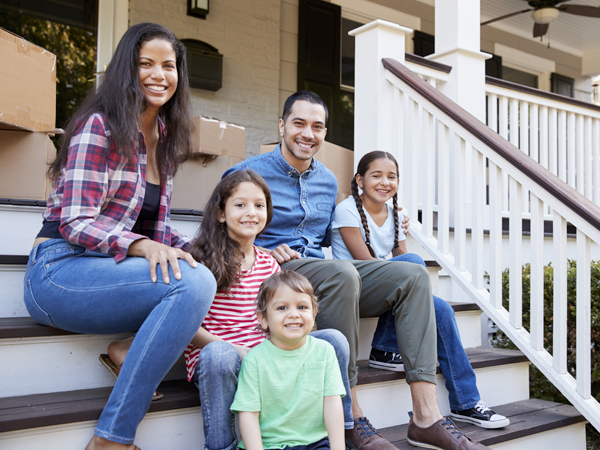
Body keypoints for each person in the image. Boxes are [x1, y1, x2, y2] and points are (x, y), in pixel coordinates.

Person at [224, 91, 489, 450]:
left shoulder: (328, 180)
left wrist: (394, 218)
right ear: (282, 125)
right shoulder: (247, 172)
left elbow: (336, 234)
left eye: (317, 127)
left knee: (412, 273)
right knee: (343, 273)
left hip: (321, 270)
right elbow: (221, 227)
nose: (308, 133)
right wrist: (265, 248)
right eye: (299, 123)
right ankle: (352, 415)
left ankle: (426, 417)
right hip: (274, 273)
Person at [22, 23, 217, 450]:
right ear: (127, 70)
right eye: (145, 63)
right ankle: (112, 438)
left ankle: (129, 352)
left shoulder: (164, 137)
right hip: (59, 270)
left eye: (169, 66)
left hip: (106, 272)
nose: (158, 74)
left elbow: (157, 227)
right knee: (193, 283)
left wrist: (207, 251)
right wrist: (139, 245)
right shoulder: (100, 126)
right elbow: (75, 221)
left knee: (204, 271)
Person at [105, 169, 351, 450]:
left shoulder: (268, 264)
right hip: (218, 358)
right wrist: (236, 349)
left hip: (265, 357)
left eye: (259, 205)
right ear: (221, 213)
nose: (251, 212)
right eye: (240, 205)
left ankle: (340, 434)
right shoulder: (198, 261)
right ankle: (221, 446)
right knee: (219, 355)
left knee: (333, 340)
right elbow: (184, 325)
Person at [331, 150, 510, 430]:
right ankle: (383, 347)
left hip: (386, 288)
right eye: (376, 175)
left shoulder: (396, 214)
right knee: (413, 262)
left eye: (391, 176)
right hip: (353, 290)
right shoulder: (347, 210)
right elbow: (367, 263)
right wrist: (402, 267)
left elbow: (401, 264)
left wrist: (400, 239)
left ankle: (466, 402)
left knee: (441, 309)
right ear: (360, 180)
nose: (384, 182)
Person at [231, 271, 346, 450]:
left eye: (302, 307)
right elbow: (248, 415)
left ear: (314, 313)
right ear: (263, 319)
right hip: (269, 445)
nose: (294, 314)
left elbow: (332, 403)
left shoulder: (325, 351)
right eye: (282, 308)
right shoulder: (255, 360)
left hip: (314, 443)